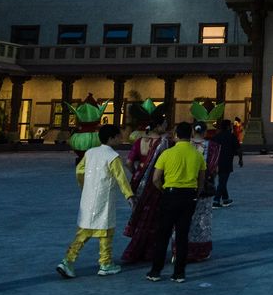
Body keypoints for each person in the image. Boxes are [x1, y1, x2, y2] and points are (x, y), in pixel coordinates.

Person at [57, 125, 135, 279]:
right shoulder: (113, 157)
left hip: (89, 196)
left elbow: (79, 170)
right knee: (105, 230)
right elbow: (121, 178)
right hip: (104, 198)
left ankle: (68, 261)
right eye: (119, 136)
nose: (121, 138)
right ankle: (105, 263)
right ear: (112, 138)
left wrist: (84, 186)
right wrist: (129, 196)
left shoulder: (90, 153)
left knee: (83, 231)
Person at [146, 122, 206, 283]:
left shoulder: (167, 154)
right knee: (182, 235)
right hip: (189, 196)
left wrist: (164, 190)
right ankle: (179, 273)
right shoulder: (198, 155)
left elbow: (156, 179)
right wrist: (195, 193)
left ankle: (155, 271)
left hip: (170, 194)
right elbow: (201, 182)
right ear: (191, 135)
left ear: (176, 135)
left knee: (163, 234)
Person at [121, 117, 171, 263]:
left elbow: (129, 162)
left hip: (138, 183)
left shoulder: (139, 141)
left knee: (141, 216)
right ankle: (144, 251)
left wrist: (137, 172)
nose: (167, 127)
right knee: (153, 219)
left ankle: (140, 251)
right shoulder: (165, 144)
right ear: (158, 127)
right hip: (155, 184)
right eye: (165, 125)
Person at [186, 122, 221, 263]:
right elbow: (214, 170)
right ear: (205, 132)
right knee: (202, 220)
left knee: (183, 220)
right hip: (204, 187)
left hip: (185, 186)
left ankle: (181, 249)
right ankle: (201, 251)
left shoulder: (184, 145)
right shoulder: (212, 147)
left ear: (193, 131)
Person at [211, 118, 239, 207]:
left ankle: (225, 199)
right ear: (228, 126)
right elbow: (238, 148)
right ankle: (216, 200)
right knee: (222, 181)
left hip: (216, 162)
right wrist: (240, 159)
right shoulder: (231, 136)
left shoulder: (216, 137)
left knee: (221, 180)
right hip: (226, 161)